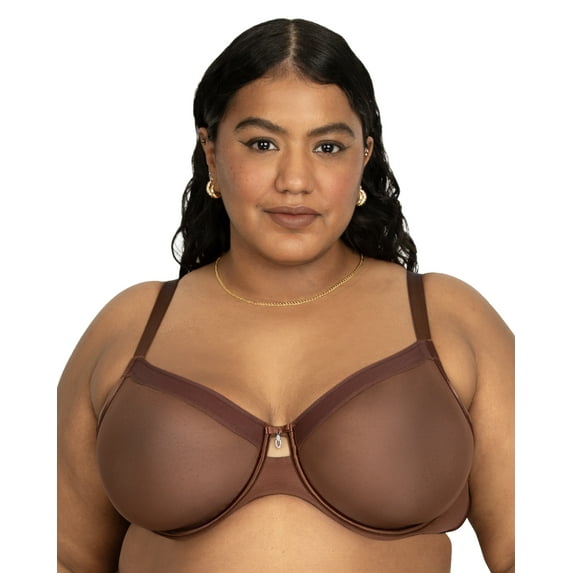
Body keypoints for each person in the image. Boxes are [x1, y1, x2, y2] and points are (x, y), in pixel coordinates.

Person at [57, 18, 514, 573]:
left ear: (364, 156)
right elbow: (65, 558)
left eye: (327, 146)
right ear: (211, 152)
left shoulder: (448, 319)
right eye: (263, 143)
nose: (295, 180)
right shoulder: (130, 327)